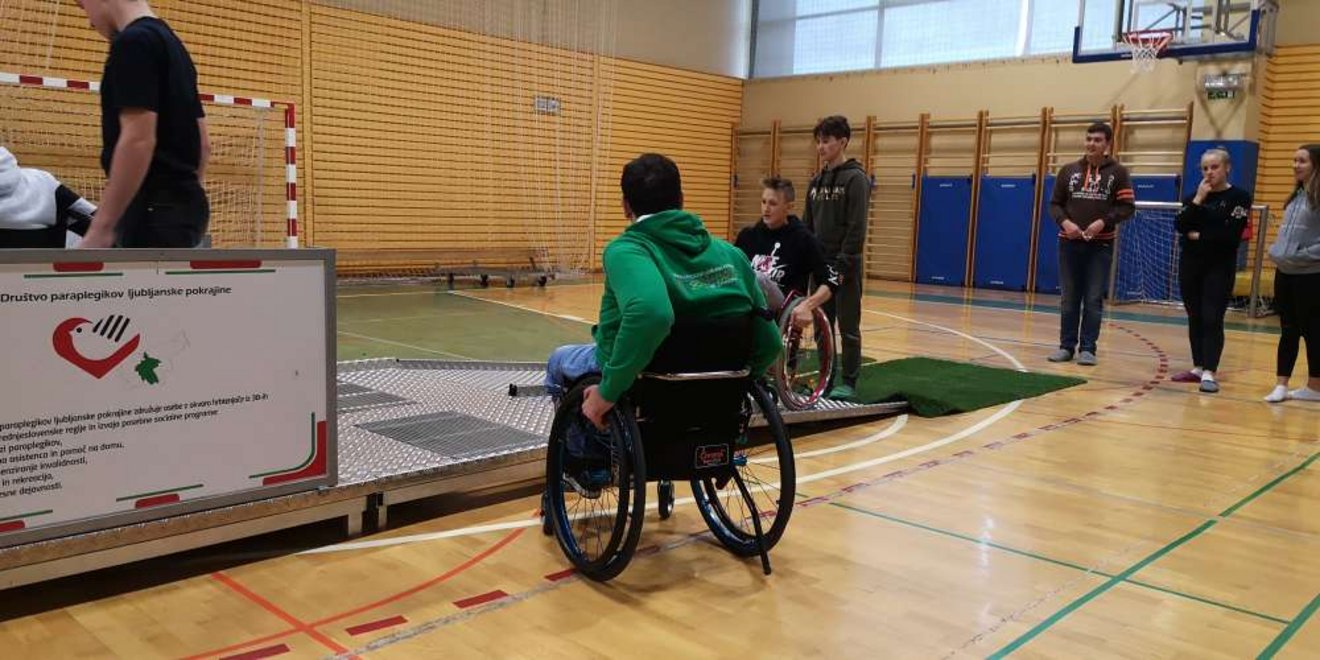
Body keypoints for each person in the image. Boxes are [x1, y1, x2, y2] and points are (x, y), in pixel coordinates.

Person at [543, 154, 781, 494]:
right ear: (681, 200)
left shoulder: (629, 250)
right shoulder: (731, 255)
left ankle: (588, 464)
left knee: (559, 361)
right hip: (716, 390)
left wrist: (607, 392)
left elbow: (651, 314)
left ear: (626, 206)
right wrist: (738, 381)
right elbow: (770, 341)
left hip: (651, 381)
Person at [75, 0, 210, 248]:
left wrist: (102, 227)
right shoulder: (172, 44)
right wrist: (186, 200)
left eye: (82, 6)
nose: (90, 22)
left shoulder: (132, 43)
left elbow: (138, 140)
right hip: (183, 209)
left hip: (150, 210)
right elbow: (203, 143)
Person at [1046, 122, 1135, 366]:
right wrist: (1065, 223)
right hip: (1069, 244)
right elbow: (1055, 204)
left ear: (1107, 144)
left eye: (1097, 140)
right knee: (1069, 298)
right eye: (1088, 139)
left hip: (1100, 246)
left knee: (1094, 298)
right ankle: (1066, 346)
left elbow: (1127, 207)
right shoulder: (1068, 171)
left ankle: (1088, 349)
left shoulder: (1119, 173)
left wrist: (1103, 222)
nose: (1091, 144)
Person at [1171, 148, 1253, 394]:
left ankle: (1210, 371)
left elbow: (1230, 236)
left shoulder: (1239, 197)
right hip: (1191, 265)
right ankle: (1198, 367)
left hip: (1219, 266)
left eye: (1214, 167)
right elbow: (1181, 226)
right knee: (1194, 316)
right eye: (1205, 168)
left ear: (1227, 168)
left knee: (1212, 317)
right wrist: (1198, 199)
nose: (1209, 172)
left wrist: (1198, 235)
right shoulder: (1193, 197)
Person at [802, 115, 869, 399]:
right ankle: (825, 379)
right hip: (820, 266)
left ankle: (849, 381)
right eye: (818, 141)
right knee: (822, 325)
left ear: (842, 142)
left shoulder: (856, 179)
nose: (821, 147)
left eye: (826, 141)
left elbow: (857, 227)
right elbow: (807, 226)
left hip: (845, 267)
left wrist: (843, 263)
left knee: (848, 325)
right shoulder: (815, 182)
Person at [735, 176, 840, 328]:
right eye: (763, 202)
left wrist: (808, 305)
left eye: (773, 203)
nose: (766, 208)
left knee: (758, 278)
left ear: (789, 207)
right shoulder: (748, 235)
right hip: (746, 301)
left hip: (782, 304)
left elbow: (832, 280)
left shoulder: (803, 239)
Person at [1263, 144, 1320, 403]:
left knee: (1313, 331)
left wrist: (1300, 255)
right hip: (1285, 272)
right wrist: (1277, 250)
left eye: (1302, 161)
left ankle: (1315, 387)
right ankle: (1281, 385)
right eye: (1294, 160)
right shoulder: (1296, 196)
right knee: (1288, 329)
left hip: (1311, 275)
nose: (1295, 165)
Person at [0, 147, 95, 248]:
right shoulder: (41, 180)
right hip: (44, 250)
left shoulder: (41, 180)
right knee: (68, 216)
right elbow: (86, 209)